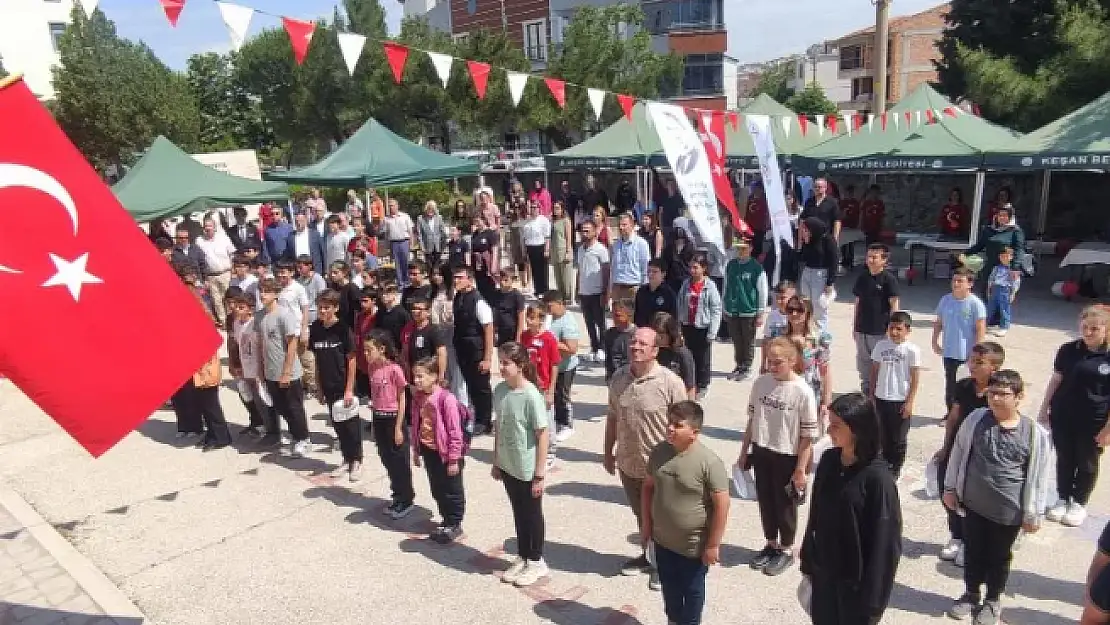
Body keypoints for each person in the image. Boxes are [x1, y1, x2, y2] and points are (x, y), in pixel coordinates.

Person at [944, 370, 1053, 624]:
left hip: (1008, 513)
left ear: (1019, 397)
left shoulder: (1034, 434)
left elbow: (1039, 477)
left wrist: (1033, 513)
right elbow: (959, 453)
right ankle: (971, 594)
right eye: (992, 393)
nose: (995, 399)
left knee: (999, 557)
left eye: (1003, 394)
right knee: (973, 552)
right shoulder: (976, 419)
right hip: (972, 504)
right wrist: (950, 489)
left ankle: (992, 601)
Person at [800, 393, 902, 625]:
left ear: (857, 429)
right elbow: (815, 515)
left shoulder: (878, 480)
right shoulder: (828, 461)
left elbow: (885, 545)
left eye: (836, 426)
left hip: (856, 586)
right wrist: (809, 558)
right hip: (825, 574)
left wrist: (873, 603)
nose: (829, 431)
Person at [605, 327, 689, 590]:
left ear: (655, 350)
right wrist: (608, 451)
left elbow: (685, 426)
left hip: (661, 467)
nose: (635, 346)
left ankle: (663, 566)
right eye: (633, 341)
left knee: (664, 520)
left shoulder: (670, 383)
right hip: (629, 464)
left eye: (643, 343)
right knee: (642, 516)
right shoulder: (618, 379)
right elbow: (612, 417)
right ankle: (648, 556)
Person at [642, 400, 730, 625]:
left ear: (694, 432)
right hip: (662, 542)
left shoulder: (709, 463)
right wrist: (646, 525)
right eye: (669, 423)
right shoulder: (659, 452)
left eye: (678, 425)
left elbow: (722, 504)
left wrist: (712, 545)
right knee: (669, 589)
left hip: (693, 547)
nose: (670, 429)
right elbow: (648, 487)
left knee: (692, 593)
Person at [739, 337, 818, 577]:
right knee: (766, 500)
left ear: (792, 361)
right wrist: (744, 452)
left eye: (778, 363)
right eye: (769, 362)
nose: (772, 367)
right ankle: (770, 543)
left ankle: (786, 548)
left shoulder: (802, 392)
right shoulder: (761, 384)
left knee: (785, 505)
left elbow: (808, 436)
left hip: (787, 454)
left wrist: (801, 469)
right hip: (763, 449)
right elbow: (752, 420)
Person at [1039, 305, 1110, 528]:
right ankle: (1062, 498)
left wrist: (1108, 428)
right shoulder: (1068, 350)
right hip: (1063, 414)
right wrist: (1044, 409)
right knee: (1065, 458)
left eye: (1095, 329)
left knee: (1087, 461)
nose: (1088, 332)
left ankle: (1079, 502)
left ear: (1106, 330)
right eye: (1085, 327)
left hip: (1094, 420)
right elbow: (1056, 380)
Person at [936, 341, 1005, 566]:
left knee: (972, 500)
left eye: (979, 362)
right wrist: (945, 448)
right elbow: (953, 417)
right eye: (971, 360)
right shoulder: (964, 386)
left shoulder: (998, 392)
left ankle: (970, 542)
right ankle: (956, 535)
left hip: (980, 455)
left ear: (994, 367)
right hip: (957, 448)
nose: (971, 366)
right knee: (947, 491)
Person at [492, 341, 551, 588]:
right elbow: (499, 427)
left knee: (532, 514)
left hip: (527, 468)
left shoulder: (531, 396)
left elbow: (542, 435)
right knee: (518, 511)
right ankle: (523, 554)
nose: (502, 367)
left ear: (521, 365)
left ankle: (536, 560)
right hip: (508, 464)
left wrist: (539, 474)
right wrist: (496, 460)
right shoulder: (500, 391)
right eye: (501, 362)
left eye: (506, 363)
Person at [410, 357, 467, 544]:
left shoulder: (446, 399)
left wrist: (453, 459)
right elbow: (417, 425)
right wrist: (416, 450)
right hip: (429, 450)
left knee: (452, 489)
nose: (416, 380)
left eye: (421, 376)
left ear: (434, 376)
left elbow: (455, 432)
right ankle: (446, 520)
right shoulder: (418, 397)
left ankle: (455, 523)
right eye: (415, 376)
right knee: (437, 488)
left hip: (447, 453)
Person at [309, 290, 363, 481]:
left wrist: (349, 389)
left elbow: (352, 360)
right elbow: (316, 359)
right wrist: (319, 386)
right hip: (327, 384)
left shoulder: (343, 329)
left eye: (327, 307)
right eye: (320, 307)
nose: (322, 311)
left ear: (336, 308)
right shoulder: (315, 328)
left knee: (351, 425)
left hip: (343, 385)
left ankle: (356, 460)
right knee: (338, 424)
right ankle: (346, 459)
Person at [364, 329, 416, 519]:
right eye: (365, 350)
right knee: (386, 458)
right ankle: (397, 495)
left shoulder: (394, 369)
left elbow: (402, 398)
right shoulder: (372, 369)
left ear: (382, 349)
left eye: (370, 350)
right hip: (379, 418)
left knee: (399, 461)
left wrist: (398, 427)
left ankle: (407, 499)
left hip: (393, 418)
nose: (366, 354)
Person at [257, 277, 311, 456]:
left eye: (267, 291)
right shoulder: (260, 316)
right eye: (261, 291)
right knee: (280, 406)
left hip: (288, 372)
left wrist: (286, 372)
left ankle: (303, 438)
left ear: (276, 294)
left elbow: (292, 344)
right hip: (270, 371)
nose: (262, 295)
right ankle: (294, 433)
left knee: (294, 407)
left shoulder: (284, 315)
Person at [764, 297, 832, 428]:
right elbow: (771, 363)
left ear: (808, 312)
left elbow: (826, 371)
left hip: (809, 391)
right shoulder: (778, 334)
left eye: (799, 310)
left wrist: (826, 401)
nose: (794, 314)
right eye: (790, 310)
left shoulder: (819, 339)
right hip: (781, 390)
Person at [869, 311, 921, 478]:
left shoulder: (912, 350)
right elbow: (874, 371)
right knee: (882, 433)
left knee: (898, 437)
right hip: (881, 396)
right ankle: (883, 463)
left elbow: (915, 378)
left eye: (899, 329)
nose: (894, 332)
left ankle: (896, 467)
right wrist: (871, 394)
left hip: (900, 399)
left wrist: (910, 401)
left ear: (907, 330)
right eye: (891, 328)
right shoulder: (881, 346)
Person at [932, 268, 987, 409]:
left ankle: (967, 412)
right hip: (949, 351)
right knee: (950, 384)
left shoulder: (975, 304)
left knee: (968, 384)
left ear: (970, 284)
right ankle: (950, 412)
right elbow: (938, 322)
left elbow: (980, 328)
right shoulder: (945, 300)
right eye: (954, 280)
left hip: (967, 353)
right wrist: (934, 341)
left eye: (960, 281)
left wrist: (977, 352)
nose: (956, 283)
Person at [853, 243, 900, 395]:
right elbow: (858, 302)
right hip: (862, 328)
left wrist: (892, 328)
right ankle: (866, 390)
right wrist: (854, 326)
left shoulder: (889, 279)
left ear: (884, 260)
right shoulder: (863, 277)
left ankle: (880, 393)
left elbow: (894, 304)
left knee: (880, 362)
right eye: (869, 256)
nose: (871, 260)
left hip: (880, 329)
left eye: (875, 257)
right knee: (863, 362)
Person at [453, 266, 496, 435]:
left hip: (476, 351)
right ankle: (476, 417)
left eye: (460, 278)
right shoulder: (459, 297)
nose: (456, 281)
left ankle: (484, 422)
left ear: (469, 280)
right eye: (455, 277)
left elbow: (488, 329)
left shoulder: (478, 302)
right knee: (470, 386)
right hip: (463, 350)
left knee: (481, 387)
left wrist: (487, 358)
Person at [959, 203, 1024, 308]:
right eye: (1000, 215)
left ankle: (1000, 320)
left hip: (1005, 269)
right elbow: (980, 245)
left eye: (1005, 215)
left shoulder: (1015, 231)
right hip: (989, 266)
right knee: (986, 292)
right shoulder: (989, 230)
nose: (1002, 218)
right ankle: (986, 317)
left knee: (1002, 295)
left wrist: (1015, 267)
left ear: (1010, 217)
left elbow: (1019, 250)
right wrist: (965, 254)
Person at [520, 305, 560, 468]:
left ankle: (550, 451)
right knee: (529, 418)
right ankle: (535, 448)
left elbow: (555, 365)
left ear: (541, 320)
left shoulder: (549, 338)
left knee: (547, 420)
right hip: (528, 384)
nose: (529, 321)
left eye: (533, 317)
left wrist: (551, 390)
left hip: (543, 386)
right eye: (528, 317)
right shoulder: (524, 336)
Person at [677, 255, 722, 400]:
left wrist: (712, 332)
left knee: (702, 358)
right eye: (691, 267)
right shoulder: (686, 284)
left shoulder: (710, 286)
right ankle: (690, 383)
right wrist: (678, 325)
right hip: (687, 325)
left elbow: (716, 309)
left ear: (704, 268)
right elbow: (679, 304)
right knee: (687, 357)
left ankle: (702, 385)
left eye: (696, 267)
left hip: (702, 327)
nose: (692, 270)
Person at [723, 239, 767, 381]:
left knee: (748, 340)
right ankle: (739, 364)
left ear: (751, 248)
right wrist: (725, 306)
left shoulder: (756, 268)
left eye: (744, 248)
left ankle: (747, 366)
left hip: (749, 310)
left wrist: (760, 312)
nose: (741, 251)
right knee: (736, 339)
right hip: (732, 309)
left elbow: (762, 291)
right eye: (739, 249)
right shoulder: (731, 265)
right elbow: (726, 285)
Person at [542, 291, 580, 443]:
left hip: (566, 367)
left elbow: (572, 348)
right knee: (554, 395)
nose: (547, 309)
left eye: (550, 306)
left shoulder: (568, 322)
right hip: (552, 366)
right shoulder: (549, 318)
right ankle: (557, 420)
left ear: (560, 304)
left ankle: (567, 424)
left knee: (563, 396)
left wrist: (551, 342)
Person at [576, 220, 611, 363]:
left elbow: (606, 271)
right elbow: (579, 270)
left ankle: (603, 348)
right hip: (584, 292)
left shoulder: (601, 249)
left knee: (600, 322)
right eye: (582, 231)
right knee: (589, 322)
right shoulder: (580, 249)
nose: (584, 233)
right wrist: (577, 289)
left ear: (594, 231)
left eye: (587, 230)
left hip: (597, 292)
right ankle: (594, 347)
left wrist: (605, 292)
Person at [797, 217, 838, 332]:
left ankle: (822, 336)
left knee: (819, 306)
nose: (804, 231)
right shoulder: (810, 240)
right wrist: (803, 243)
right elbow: (802, 258)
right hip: (807, 272)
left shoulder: (828, 240)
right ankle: (808, 330)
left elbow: (834, 261)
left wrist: (830, 282)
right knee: (806, 303)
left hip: (820, 274)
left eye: (806, 229)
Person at [653, 312, 697, 401]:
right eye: (655, 334)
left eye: (661, 335)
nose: (657, 338)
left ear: (670, 334)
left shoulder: (682, 354)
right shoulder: (652, 350)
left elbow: (690, 386)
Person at [610, 212, 651, 302]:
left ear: (632, 225)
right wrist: (611, 288)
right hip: (617, 287)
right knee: (618, 316)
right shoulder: (616, 245)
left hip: (634, 288)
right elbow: (613, 268)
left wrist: (645, 290)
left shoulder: (641, 244)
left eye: (624, 225)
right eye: (619, 225)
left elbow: (645, 268)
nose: (621, 228)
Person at [985, 247, 1020, 337]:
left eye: (1006, 256)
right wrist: (989, 289)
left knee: (1004, 309)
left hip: (1005, 290)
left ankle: (1004, 327)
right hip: (995, 289)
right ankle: (984, 324)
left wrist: (1013, 293)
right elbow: (991, 279)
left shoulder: (1013, 270)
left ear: (1011, 257)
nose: (1004, 258)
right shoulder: (996, 268)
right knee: (990, 308)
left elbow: (1015, 282)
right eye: (1002, 256)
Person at [634, 259, 678, 328]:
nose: (650, 274)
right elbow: (637, 314)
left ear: (663, 274)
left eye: (655, 272)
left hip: (660, 333)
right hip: (643, 332)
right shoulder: (641, 291)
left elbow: (673, 317)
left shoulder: (669, 294)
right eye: (649, 271)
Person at [521, 201, 552, 295]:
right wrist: (524, 251)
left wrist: (546, 250)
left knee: (542, 270)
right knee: (534, 270)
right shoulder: (527, 221)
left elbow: (547, 237)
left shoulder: (543, 220)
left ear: (539, 209)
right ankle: (537, 290)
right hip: (530, 247)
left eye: (535, 207)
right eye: (532, 207)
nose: (533, 209)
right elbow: (524, 238)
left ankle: (544, 290)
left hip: (541, 246)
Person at [383, 199, 416, 287]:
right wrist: (387, 247)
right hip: (394, 243)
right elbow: (386, 234)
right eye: (389, 206)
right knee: (397, 264)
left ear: (397, 206)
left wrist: (412, 244)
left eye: (392, 205)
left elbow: (410, 231)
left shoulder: (405, 216)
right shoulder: (386, 219)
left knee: (406, 262)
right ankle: (400, 283)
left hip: (404, 241)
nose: (391, 207)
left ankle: (407, 281)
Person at [491, 270, 526, 347]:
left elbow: (521, 318)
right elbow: (493, 315)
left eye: (506, 280)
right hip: (500, 332)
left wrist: (518, 337)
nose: (502, 282)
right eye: (500, 280)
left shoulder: (517, 296)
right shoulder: (496, 294)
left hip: (512, 332)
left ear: (512, 280)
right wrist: (493, 334)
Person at [372, 283, 411, 353]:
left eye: (387, 293)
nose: (384, 296)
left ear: (395, 294)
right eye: (382, 293)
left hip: (398, 352)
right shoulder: (380, 313)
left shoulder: (402, 313)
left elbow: (408, 335)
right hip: (382, 351)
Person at [469, 215, 500, 302]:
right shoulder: (475, 234)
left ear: (484, 220)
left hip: (487, 263)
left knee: (490, 286)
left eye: (478, 221)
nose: (477, 223)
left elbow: (495, 249)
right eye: (475, 222)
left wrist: (493, 265)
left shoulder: (490, 233)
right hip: (478, 264)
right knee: (480, 285)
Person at [603, 299, 635, 382]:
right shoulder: (609, 334)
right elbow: (609, 358)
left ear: (629, 315)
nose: (614, 318)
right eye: (612, 315)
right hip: (614, 378)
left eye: (617, 315)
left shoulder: (637, 335)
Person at [801, 177, 842, 242]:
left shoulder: (832, 202)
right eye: (815, 187)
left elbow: (837, 221)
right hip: (810, 239)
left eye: (819, 187)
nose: (817, 189)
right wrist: (803, 237)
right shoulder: (809, 202)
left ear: (825, 188)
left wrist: (835, 239)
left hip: (825, 238)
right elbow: (803, 219)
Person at [550, 202, 574, 302]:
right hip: (555, 251)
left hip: (564, 250)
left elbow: (569, 237)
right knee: (557, 275)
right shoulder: (553, 221)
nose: (556, 210)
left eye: (558, 208)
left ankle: (568, 297)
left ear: (562, 209)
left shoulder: (566, 221)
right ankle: (560, 296)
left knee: (566, 276)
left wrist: (568, 251)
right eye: (554, 208)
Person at [661, 227, 695, 295]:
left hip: (686, 277)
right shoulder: (668, 250)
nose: (679, 241)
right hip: (672, 279)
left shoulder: (689, 248)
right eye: (677, 240)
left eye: (681, 240)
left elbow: (691, 263)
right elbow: (665, 264)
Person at [416, 201, 445, 273]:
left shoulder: (439, 218)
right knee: (430, 267)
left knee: (437, 266)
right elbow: (419, 234)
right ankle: (432, 283)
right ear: (426, 209)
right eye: (429, 209)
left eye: (432, 209)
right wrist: (422, 247)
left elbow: (443, 232)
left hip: (438, 246)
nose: (430, 211)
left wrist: (443, 245)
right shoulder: (420, 219)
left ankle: (438, 283)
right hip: (427, 247)